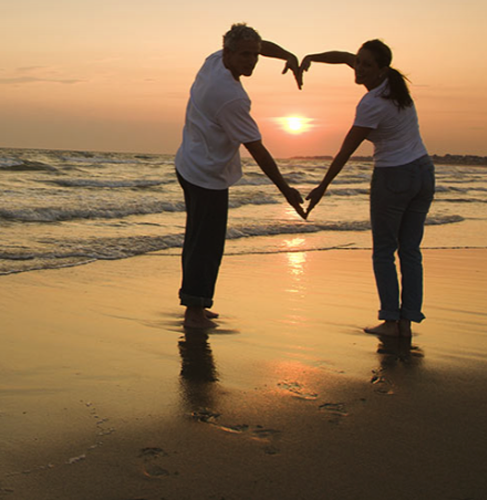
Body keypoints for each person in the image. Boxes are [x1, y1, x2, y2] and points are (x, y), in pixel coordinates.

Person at [175, 23, 306, 329]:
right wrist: (285, 189)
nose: (252, 61)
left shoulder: (213, 61)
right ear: (229, 53)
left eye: (255, 55)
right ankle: (194, 310)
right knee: (206, 245)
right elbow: (256, 149)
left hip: (189, 162)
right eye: (245, 55)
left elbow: (260, 45)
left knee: (198, 240)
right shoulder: (230, 97)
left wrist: (286, 54)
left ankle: (196, 301)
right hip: (206, 173)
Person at [300, 39, 434, 337]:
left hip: (394, 176)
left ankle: (390, 321)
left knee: (385, 250)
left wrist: (323, 185)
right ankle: (407, 322)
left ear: (381, 69)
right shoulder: (393, 85)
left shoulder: (372, 103)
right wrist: (312, 56)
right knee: (410, 250)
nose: (358, 68)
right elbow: (344, 56)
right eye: (359, 62)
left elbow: (347, 149)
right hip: (423, 172)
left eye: (365, 64)